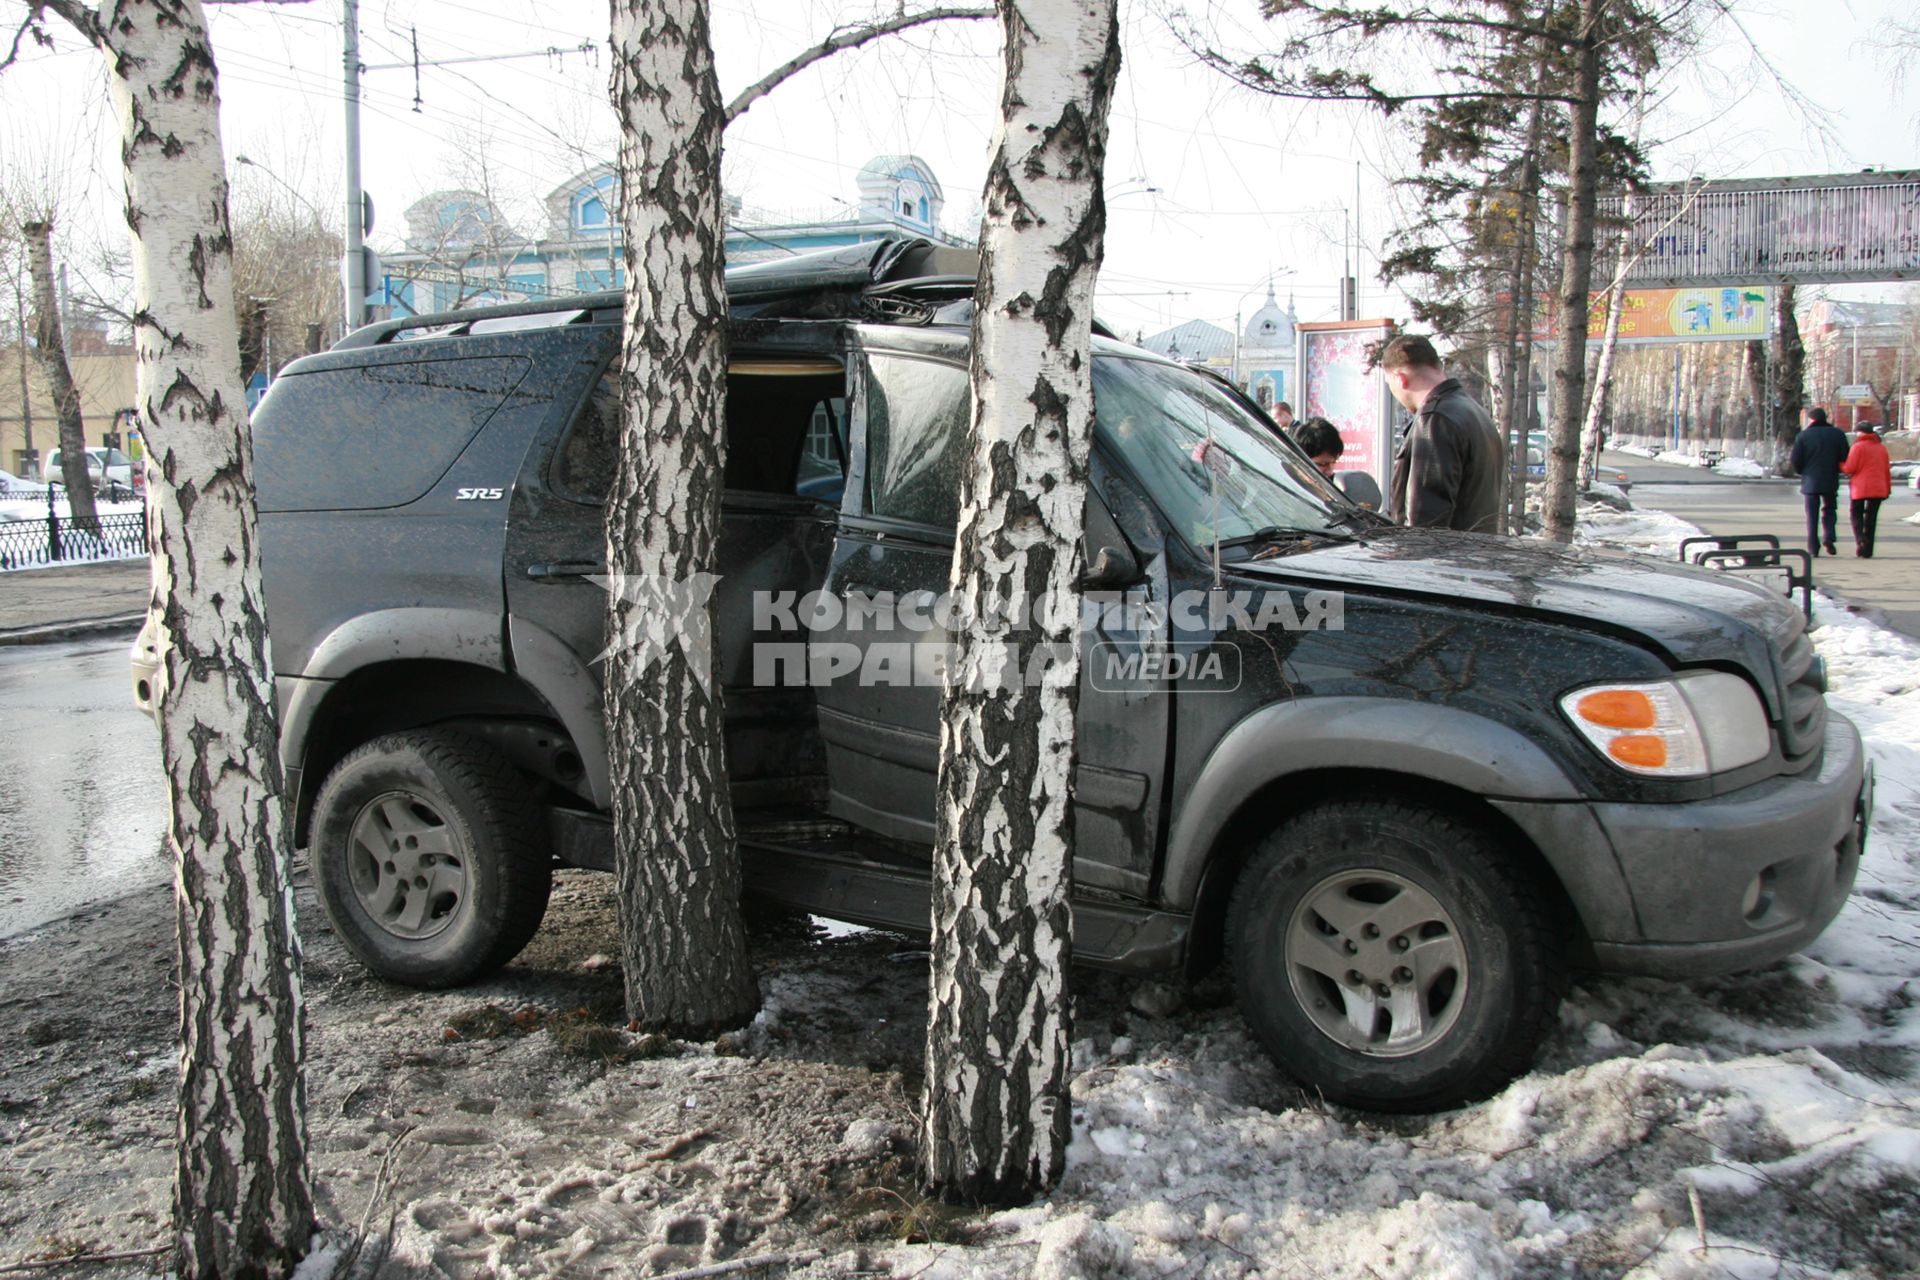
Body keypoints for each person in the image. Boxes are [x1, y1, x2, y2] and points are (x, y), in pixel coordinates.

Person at [1380, 334, 1503, 533]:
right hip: (1476, 555)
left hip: (1445, 559)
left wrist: (1409, 559)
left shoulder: (1435, 419)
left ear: (1400, 378)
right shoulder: (1474, 411)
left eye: (1389, 384)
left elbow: (1424, 524)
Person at [1789, 407, 1850, 557]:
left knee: (1812, 515)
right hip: (1830, 478)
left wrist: (1802, 471)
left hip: (1810, 480)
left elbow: (1795, 459)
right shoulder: (1838, 434)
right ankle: (1829, 536)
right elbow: (1845, 456)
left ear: (1811, 419)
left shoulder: (1803, 436)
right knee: (1829, 509)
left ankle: (1813, 547)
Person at [1839, 421, 1892, 558]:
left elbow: (1850, 468)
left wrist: (1841, 465)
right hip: (1879, 488)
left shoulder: (1857, 447)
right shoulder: (1881, 448)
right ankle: (1867, 551)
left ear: (1861, 432)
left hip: (1860, 488)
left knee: (1856, 514)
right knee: (1871, 518)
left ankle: (1860, 538)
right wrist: (1887, 489)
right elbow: (1886, 470)